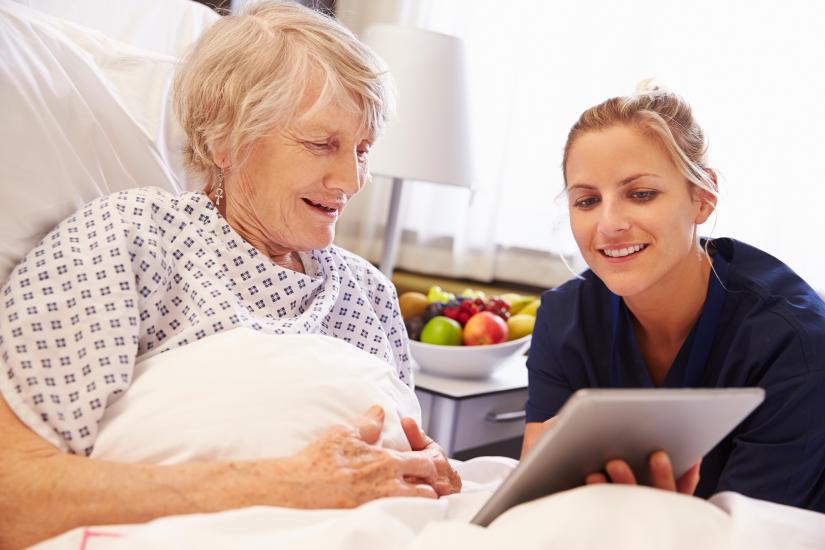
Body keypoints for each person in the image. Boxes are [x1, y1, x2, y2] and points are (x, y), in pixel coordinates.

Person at [0, 2, 460, 547]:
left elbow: (400, 458)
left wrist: (432, 472)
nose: (351, 179)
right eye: (321, 144)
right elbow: (14, 495)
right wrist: (281, 486)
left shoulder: (367, 292)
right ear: (224, 136)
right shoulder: (130, 239)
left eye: (363, 150)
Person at [521, 86, 825, 511]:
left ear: (703, 197)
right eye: (587, 200)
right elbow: (538, 504)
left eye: (641, 194)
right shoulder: (564, 318)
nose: (608, 224)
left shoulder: (794, 340)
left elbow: (756, 534)